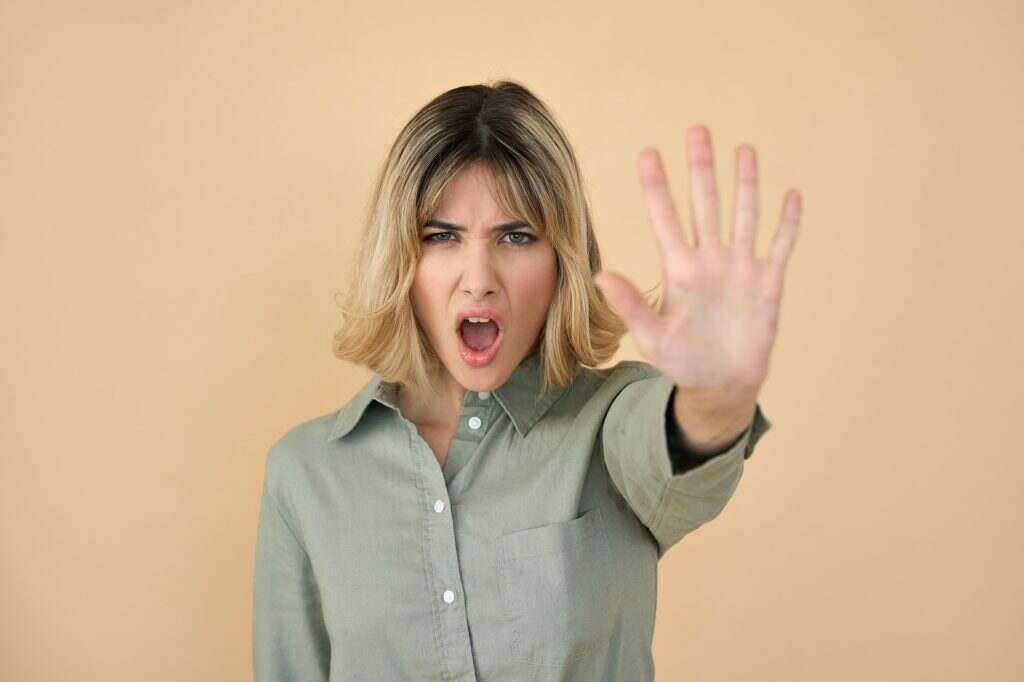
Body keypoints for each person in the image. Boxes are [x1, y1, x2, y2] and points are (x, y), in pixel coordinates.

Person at [252, 80, 800, 681]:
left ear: (561, 260)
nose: (479, 278)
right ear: (400, 261)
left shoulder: (611, 420)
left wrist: (717, 395)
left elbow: (679, 447)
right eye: (442, 236)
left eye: (516, 237)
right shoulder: (304, 474)